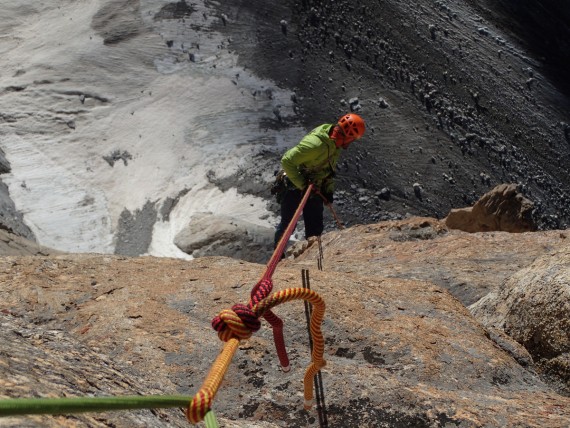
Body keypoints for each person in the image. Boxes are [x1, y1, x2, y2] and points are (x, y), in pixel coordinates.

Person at [273, 112, 366, 252]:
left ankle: (312, 260)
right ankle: (278, 259)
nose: (351, 142)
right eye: (352, 139)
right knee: (287, 226)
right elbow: (287, 160)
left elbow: (327, 170)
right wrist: (302, 185)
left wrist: (328, 191)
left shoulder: (335, 144)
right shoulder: (316, 144)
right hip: (294, 185)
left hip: (314, 188)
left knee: (315, 230)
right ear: (347, 136)